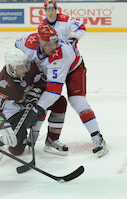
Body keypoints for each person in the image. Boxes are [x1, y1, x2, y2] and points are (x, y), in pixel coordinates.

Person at [15, 24, 108, 158]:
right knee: (39, 98)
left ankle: (97, 136)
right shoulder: (26, 41)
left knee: (77, 100)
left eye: (56, 42)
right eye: (49, 44)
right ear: (40, 41)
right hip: (45, 69)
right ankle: (33, 136)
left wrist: (38, 109)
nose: (54, 47)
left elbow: (53, 92)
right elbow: (16, 50)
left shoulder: (60, 55)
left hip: (73, 68)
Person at [0, 48, 68, 156]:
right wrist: (3, 126)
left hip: (29, 101)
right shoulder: (1, 84)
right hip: (13, 110)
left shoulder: (30, 66)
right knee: (17, 151)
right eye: (21, 67)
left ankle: (52, 140)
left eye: (26, 65)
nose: (25, 69)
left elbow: (42, 81)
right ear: (11, 67)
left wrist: (35, 92)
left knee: (60, 102)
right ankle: (8, 134)